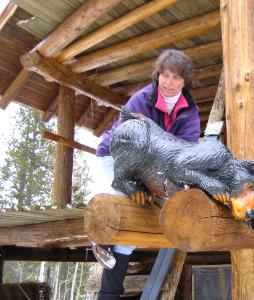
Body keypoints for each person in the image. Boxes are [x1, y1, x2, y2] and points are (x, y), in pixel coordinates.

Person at [90, 49, 201, 299]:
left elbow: (184, 150)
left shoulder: (190, 111)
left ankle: (109, 294)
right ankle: (99, 241)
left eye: (176, 77)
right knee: (120, 201)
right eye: (165, 75)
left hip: (149, 166)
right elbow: (126, 141)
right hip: (114, 156)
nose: (169, 83)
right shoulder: (141, 99)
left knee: (130, 230)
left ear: (185, 82)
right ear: (158, 75)